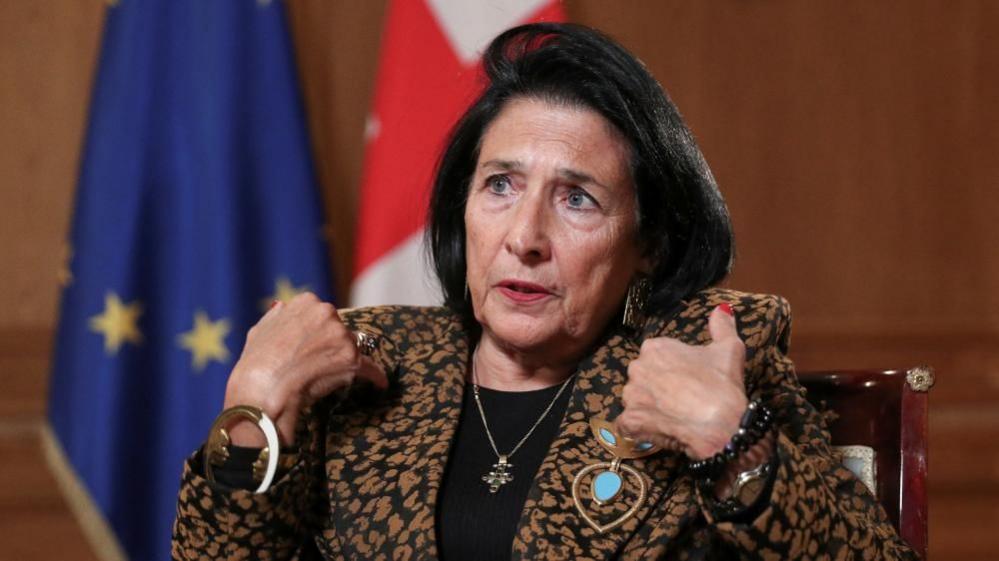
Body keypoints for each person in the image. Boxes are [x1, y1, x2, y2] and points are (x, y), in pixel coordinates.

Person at [172, 23, 916, 560]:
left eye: (576, 199)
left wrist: (731, 441)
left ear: (646, 244)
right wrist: (256, 402)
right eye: (500, 185)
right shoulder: (370, 362)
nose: (523, 235)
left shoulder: (711, 354)